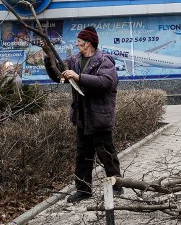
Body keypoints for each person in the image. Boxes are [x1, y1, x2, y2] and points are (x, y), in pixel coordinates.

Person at [43, 26, 123, 203]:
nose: (77, 44)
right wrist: (48, 58)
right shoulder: (74, 60)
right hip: (82, 118)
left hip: (99, 117)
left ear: (88, 43)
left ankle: (117, 186)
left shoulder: (104, 61)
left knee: (106, 154)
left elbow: (106, 83)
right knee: (82, 155)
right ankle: (83, 189)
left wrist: (79, 77)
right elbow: (59, 76)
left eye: (79, 42)